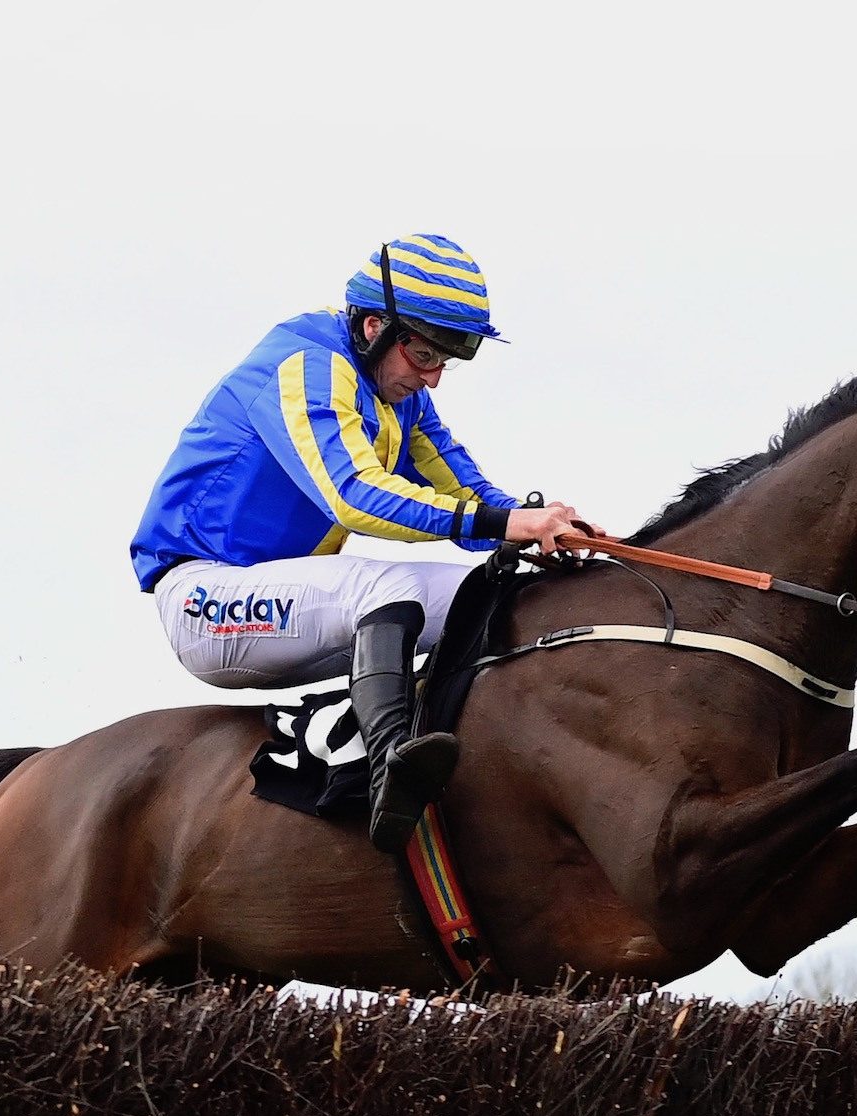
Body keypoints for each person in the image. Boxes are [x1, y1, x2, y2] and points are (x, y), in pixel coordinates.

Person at [132, 234, 602, 852]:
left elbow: (467, 487)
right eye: (426, 355)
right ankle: (389, 774)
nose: (433, 378)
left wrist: (535, 525)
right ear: (376, 327)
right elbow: (355, 495)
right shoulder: (306, 364)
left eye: (446, 360)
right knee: (391, 583)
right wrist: (500, 524)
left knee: (494, 592)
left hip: (291, 603)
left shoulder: (395, 390)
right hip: (205, 599)